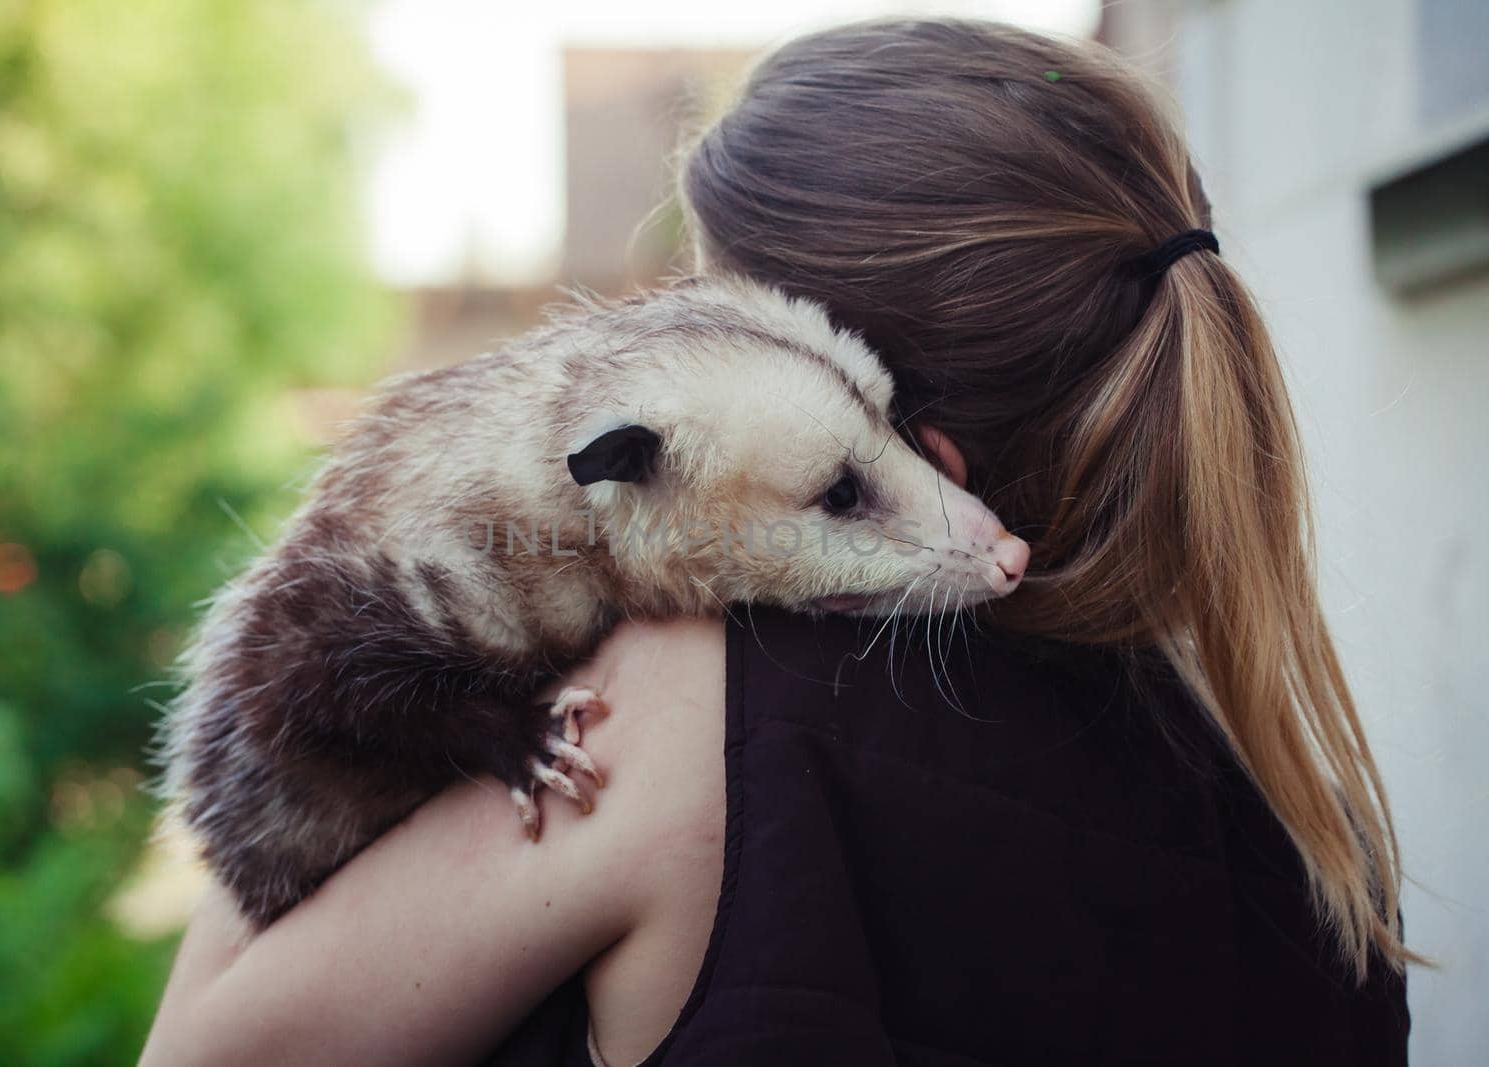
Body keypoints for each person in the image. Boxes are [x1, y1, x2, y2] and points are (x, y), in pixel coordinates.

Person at [139, 18, 1413, 1066]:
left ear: (903, 441)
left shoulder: (685, 710)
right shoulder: (1314, 837)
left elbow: (207, 1042)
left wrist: (341, 541)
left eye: (714, 311)